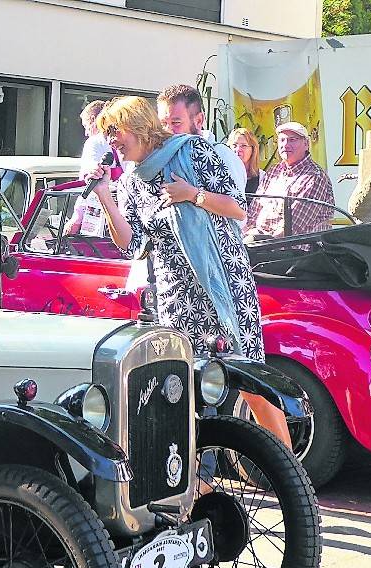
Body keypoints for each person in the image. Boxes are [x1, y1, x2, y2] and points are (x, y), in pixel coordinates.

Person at [85, 96, 291, 448]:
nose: (112, 142)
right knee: (182, 392)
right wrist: (104, 195)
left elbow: (238, 208)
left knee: (249, 381)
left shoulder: (193, 151)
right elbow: (132, 244)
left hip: (223, 284)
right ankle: (195, 489)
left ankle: (292, 481)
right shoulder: (132, 181)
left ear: (138, 127)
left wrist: (192, 195)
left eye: (115, 132)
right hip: (178, 299)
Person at [244, 122, 334, 240]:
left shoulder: (314, 177)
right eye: (282, 140)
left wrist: (260, 243)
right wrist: (247, 235)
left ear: (306, 144)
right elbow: (254, 210)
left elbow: (292, 227)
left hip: (296, 250)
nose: (286, 145)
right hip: (263, 243)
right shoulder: (274, 171)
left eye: (292, 140)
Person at [157, 85, 247, 197]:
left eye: (176, 123)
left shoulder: (222, 156)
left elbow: (238, 210)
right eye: (163, 124)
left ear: (199, 121)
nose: (168, 130)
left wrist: (194, 195)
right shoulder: (160, 156)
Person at [65, 100, 119, 236]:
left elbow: (89, 182)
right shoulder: (129, 143)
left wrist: (76, 219)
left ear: (95, 120)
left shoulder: (94, 142)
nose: (86, 133)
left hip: (103, 226)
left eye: (86, 126)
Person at [228, 127, 261, 198]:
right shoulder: (224, 174)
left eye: (243, 146)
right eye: (234, 145)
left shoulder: (262, 177)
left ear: (253, 150)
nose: (238, 149)